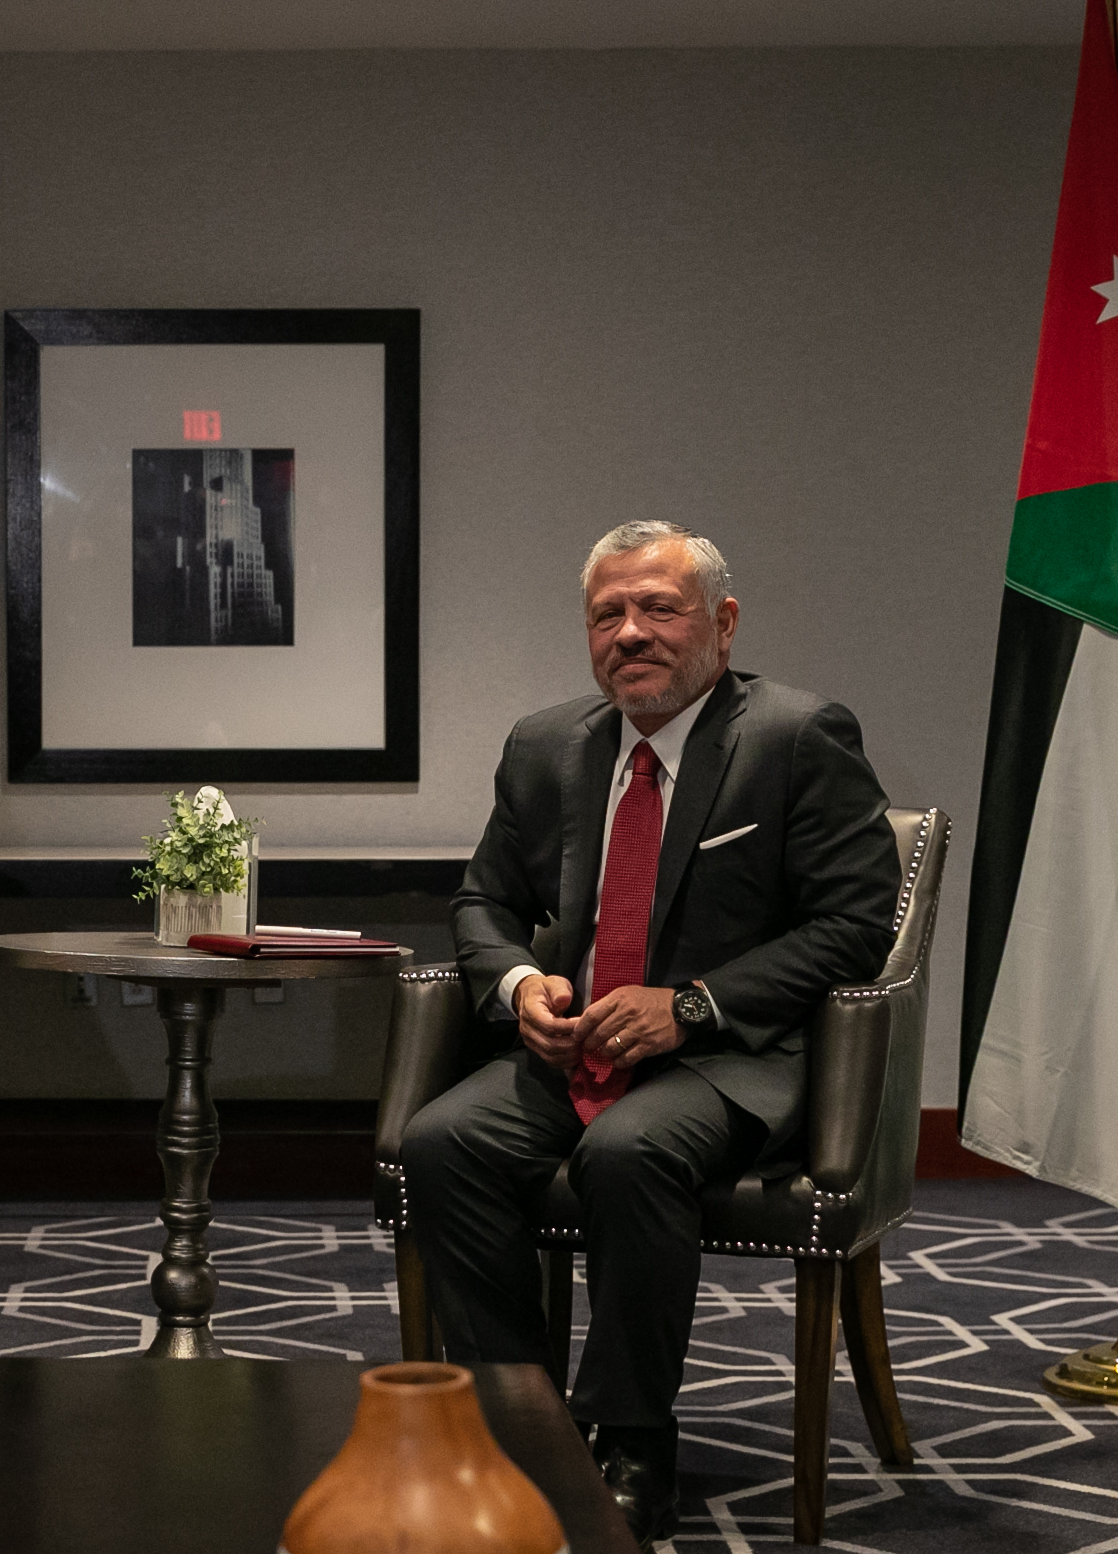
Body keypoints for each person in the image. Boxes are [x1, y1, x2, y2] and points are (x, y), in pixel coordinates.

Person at [402, 520, 900, 1548]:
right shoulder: (548, 747)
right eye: (607, 613)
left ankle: (633, 1441)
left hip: (733, 1060)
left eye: (658, 607)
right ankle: (523, 1427)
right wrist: (521, 983)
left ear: (720, 623)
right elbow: (482, 902)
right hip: (571, 1046)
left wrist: (693, 1006)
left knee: (628, 1156)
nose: (630, 632)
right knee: (440, 1145)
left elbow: (857, 925)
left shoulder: (797, 738)